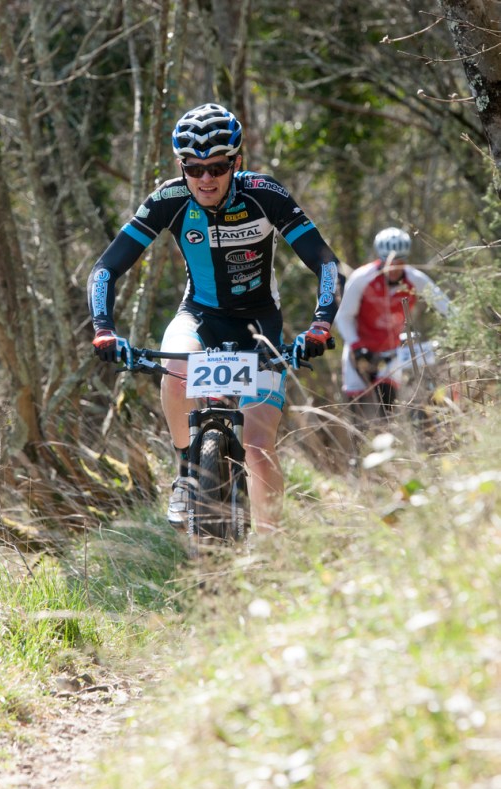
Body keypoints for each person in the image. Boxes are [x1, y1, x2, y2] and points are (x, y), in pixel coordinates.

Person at [88, 102, 343, 533]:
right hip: (200, 316)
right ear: (181, 167)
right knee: (175, 367)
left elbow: (326, 263)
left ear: (236, 163)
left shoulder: (264, 194)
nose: (206, 178)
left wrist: (320, 324)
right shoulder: (169, 199)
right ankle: (186, 473)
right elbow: (105, 269)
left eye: (218, 167)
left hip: (259, 326)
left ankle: (272, 548)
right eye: (194, 168)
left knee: (258, 447)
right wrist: (104, 329)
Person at [334, 226, 451, 418]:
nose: (395, 268)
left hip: (390, 351)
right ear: (380, 259)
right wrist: (356, 347)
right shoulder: (362, 278)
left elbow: (447, 307)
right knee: (358, 414)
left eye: (400, 262)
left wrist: (460, 330)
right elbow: (344, 317)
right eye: (390, 263)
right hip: (360, 349)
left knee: (387, 412)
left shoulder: (415, 278)